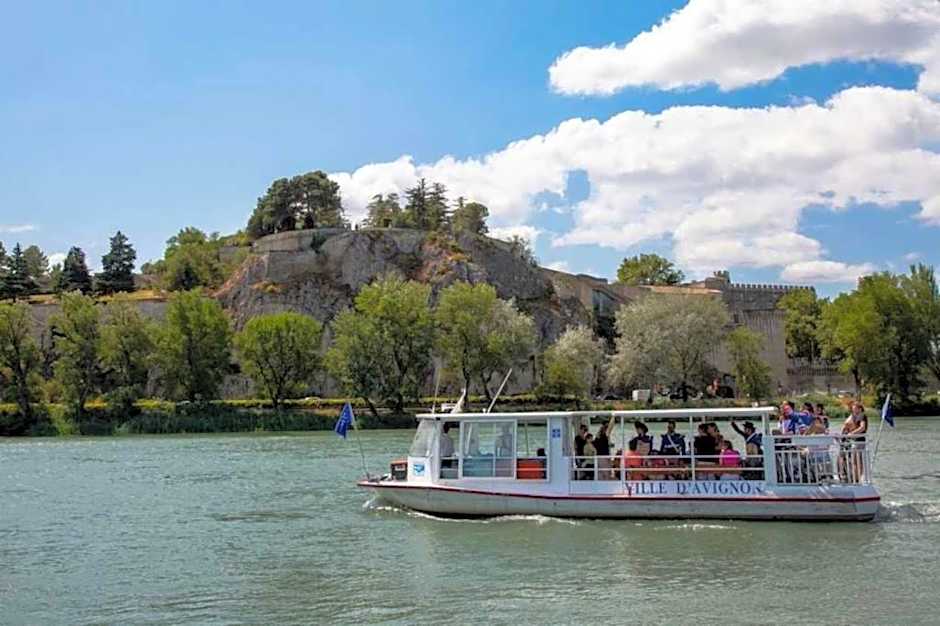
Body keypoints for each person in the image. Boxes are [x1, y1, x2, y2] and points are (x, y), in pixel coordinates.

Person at [840, 402, 868, 482]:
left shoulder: (862, 416)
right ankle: (856, 477)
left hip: (859, 441)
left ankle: (857, 478)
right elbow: (846, 425)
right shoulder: (853, 417)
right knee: (855, 460)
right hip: (854, 441)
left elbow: (862, 428)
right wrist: (842, 434)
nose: (854, 410)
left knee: (856, 461)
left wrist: (851, 433)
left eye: (855, 408)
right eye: (853, 409)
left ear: (860, 409)